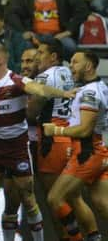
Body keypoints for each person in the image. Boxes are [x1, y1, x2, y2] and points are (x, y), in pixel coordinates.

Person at [0, 42, 76, 241]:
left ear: (1, 59)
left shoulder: (16, 81)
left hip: (17, 147)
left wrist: (64, 94)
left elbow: (40, 89)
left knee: (27, 198)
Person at [28, 38, 100, 241]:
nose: (37, 56)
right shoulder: (70, 73)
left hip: (52, 141)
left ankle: (73, 239)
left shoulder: (44, 77)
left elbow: (32, 112)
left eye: (41, 52)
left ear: (53, 56)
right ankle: (94, 236)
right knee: (75, 197)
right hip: (70, 137)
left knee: (55, 199)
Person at [43, 50, 108, 240]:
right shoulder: (99, 87)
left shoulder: (90, 92)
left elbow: (85, 130)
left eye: (75, 62)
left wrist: (56, 130)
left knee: (54, 198)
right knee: (102, 204)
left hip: (87, 152)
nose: (70, 66)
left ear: (88, 66)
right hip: (99, 150)